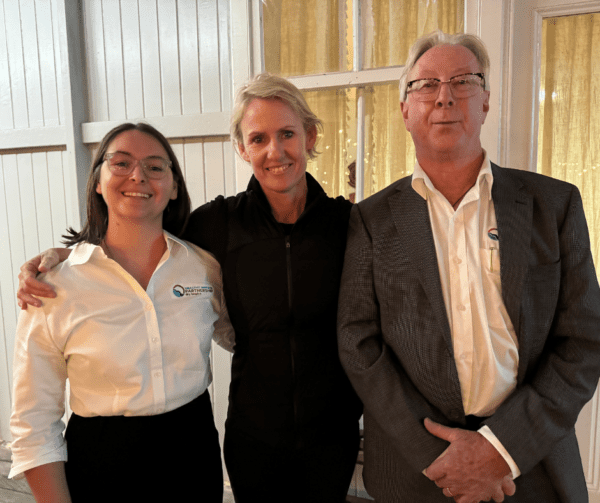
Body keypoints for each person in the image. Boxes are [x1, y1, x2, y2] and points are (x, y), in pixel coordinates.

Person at [16, 74, 362, 503]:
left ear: (309, 137)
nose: (275, 151)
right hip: (253, 440)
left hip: (323, 435)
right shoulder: (216, 226)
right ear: (242, 148)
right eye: (258, 138)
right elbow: (132, 238)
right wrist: (65, 257)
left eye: (287, 134)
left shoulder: (347, 225)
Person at [337, 30, 600, 503]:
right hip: (418, 471)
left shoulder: (554, 205)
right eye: (426, 85)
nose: (444, 97)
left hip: (529, 463)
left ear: (486, 101)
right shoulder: (371, 220)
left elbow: (583, 340)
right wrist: (439, 456)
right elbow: (358, 343)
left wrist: (501, 449)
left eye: (463, 81)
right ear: (405, 110)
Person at [9, 123, 233, 502]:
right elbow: (34, 422)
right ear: (98, 181)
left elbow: (244, 337)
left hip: (194, 454)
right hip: (101, 467)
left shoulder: (203, 268)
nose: (138, 176)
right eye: (121, 163)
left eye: (155, 166)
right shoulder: (54, 286)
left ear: (174, 187)